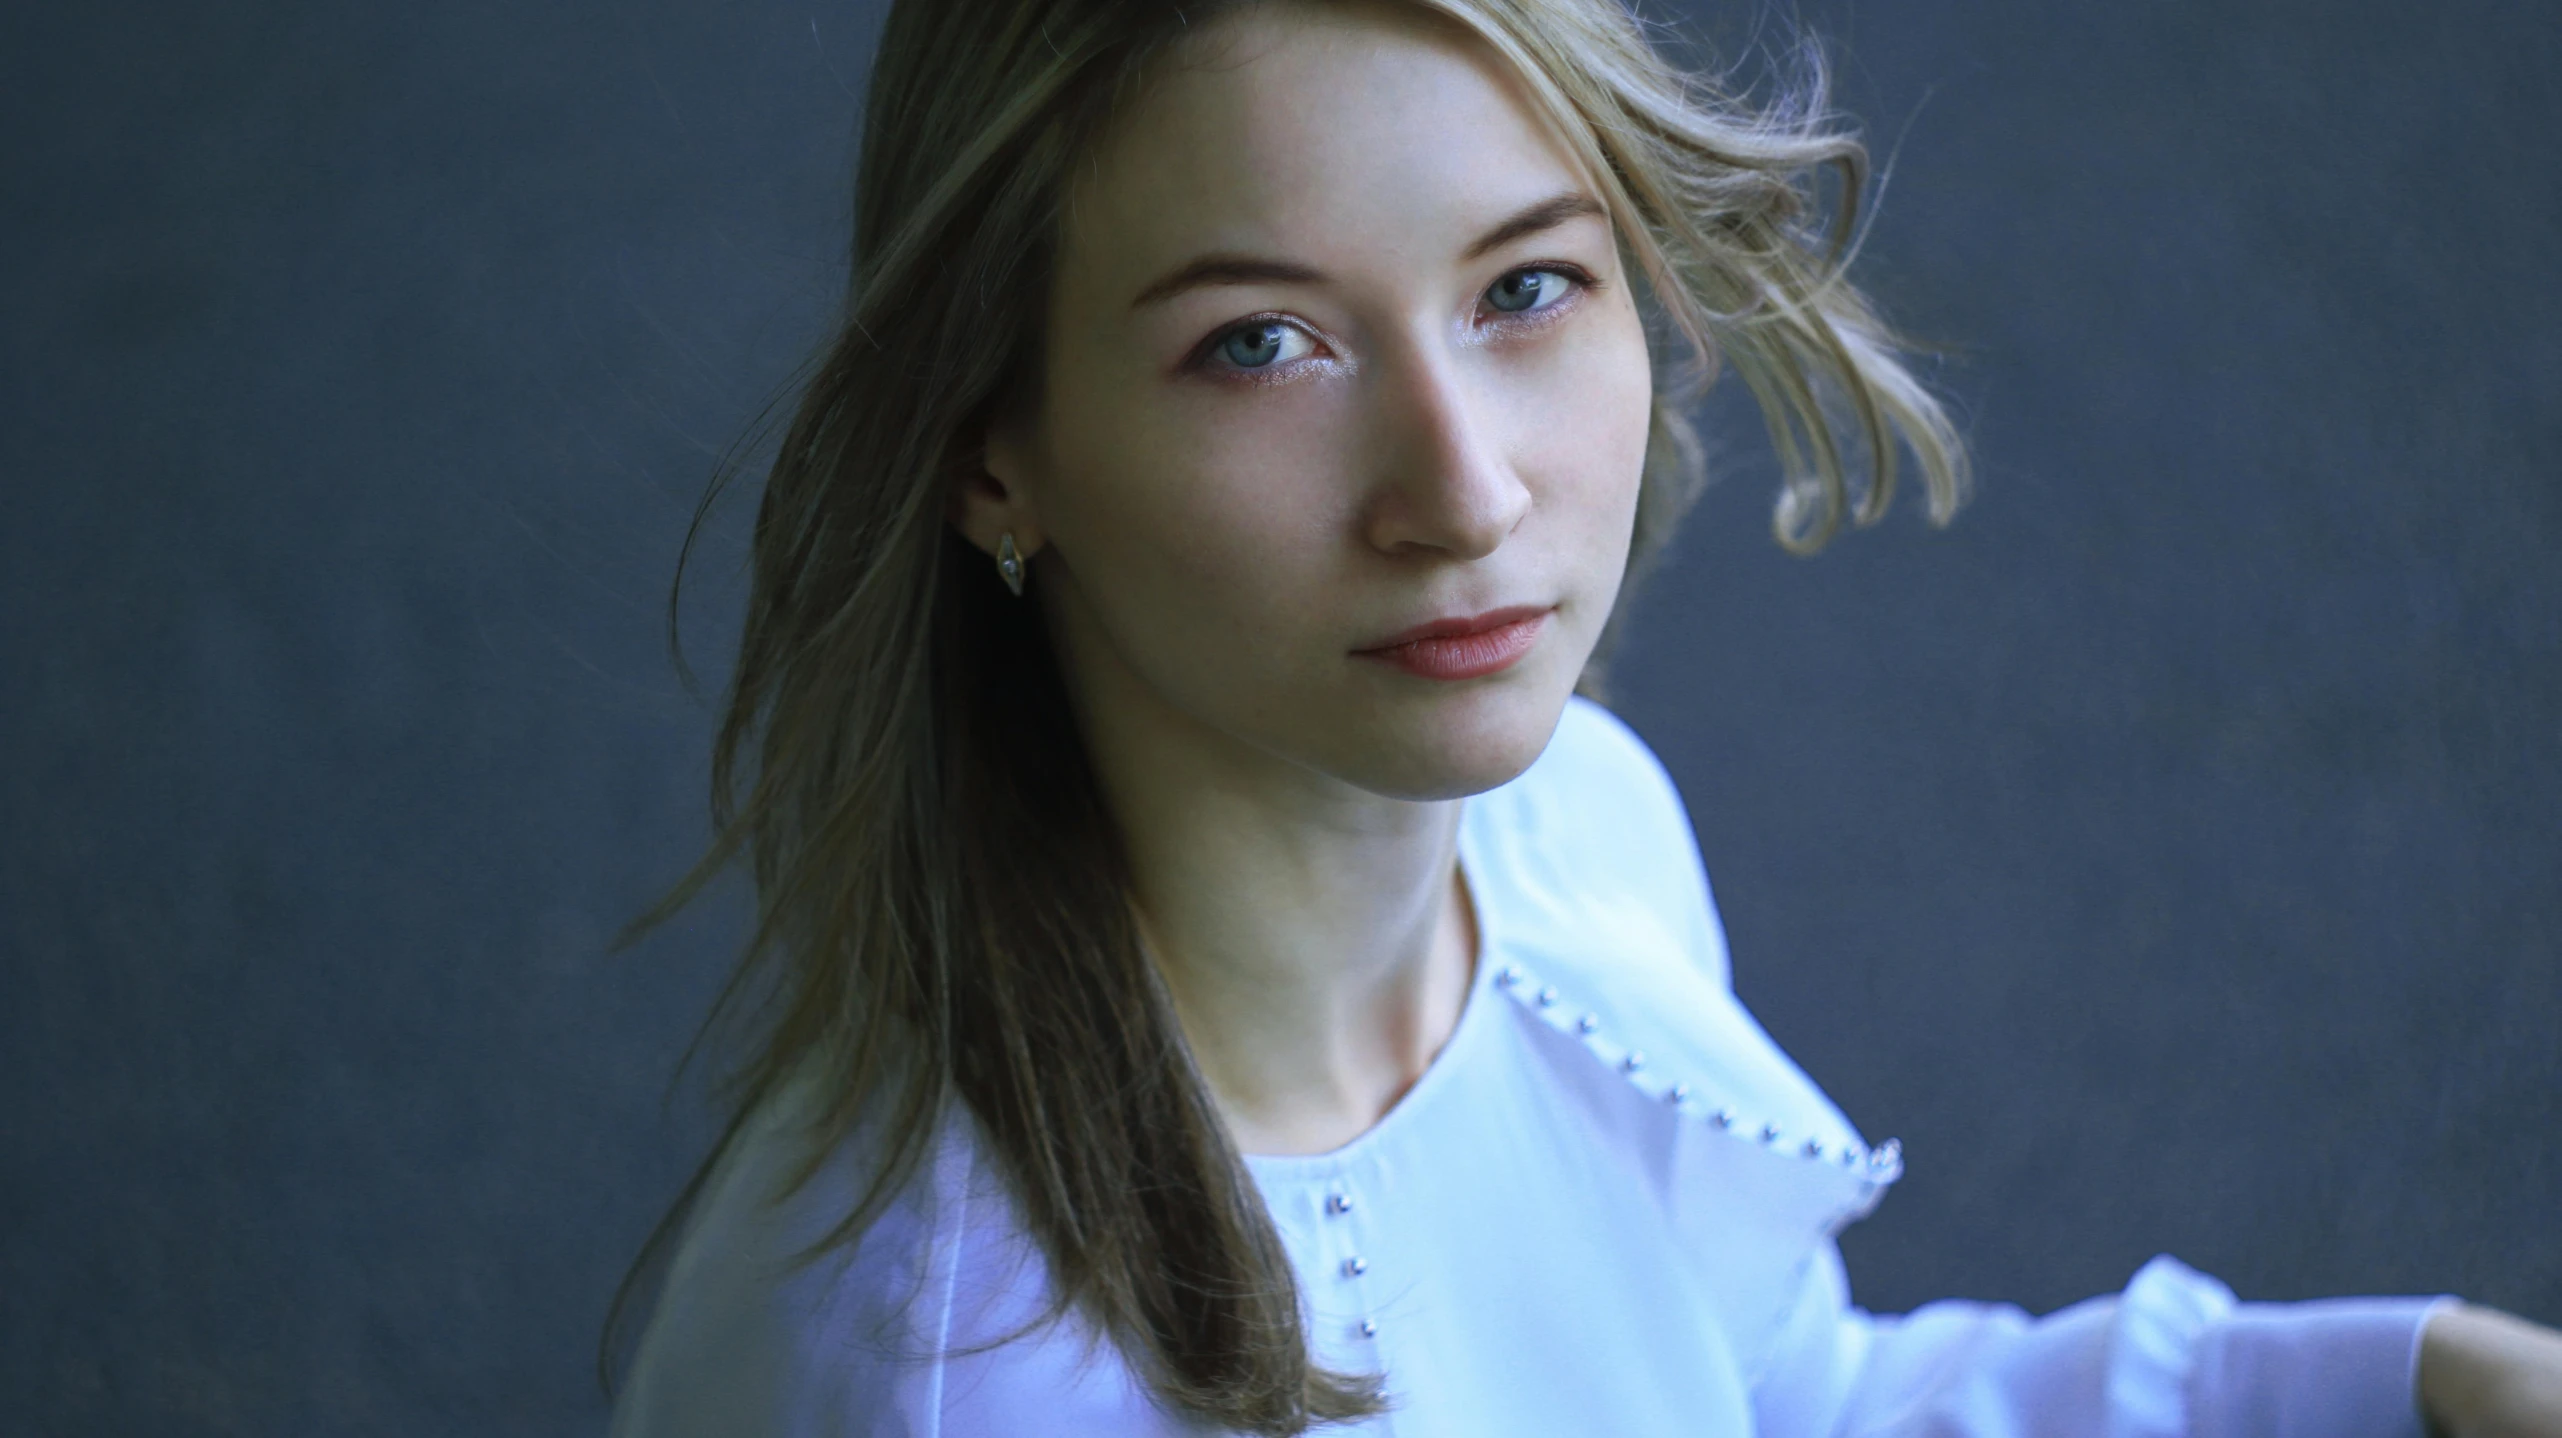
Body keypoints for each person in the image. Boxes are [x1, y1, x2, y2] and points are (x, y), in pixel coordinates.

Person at [604, 0, 2562, 1433]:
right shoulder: (938, 1360)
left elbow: (1774, 1395)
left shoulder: (1571, 840)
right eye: (1260, 343)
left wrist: (2396, 1376)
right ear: (990, 454)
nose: (1461, 490)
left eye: (1527, 285)